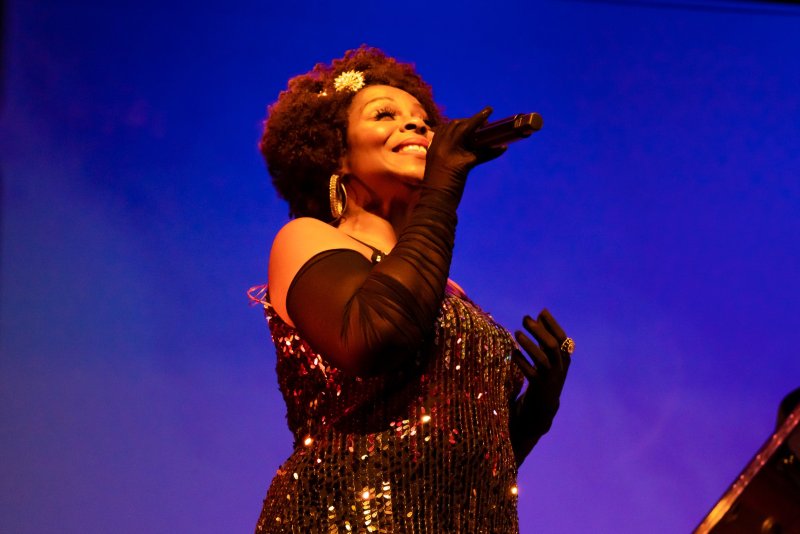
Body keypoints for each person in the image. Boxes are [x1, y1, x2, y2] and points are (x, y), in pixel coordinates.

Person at [249, 46, 574, 533]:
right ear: (337, 154)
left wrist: (534, 414)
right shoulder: (306, 238)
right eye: (385, 115)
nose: (418, 127)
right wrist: (442, 189)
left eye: (424, 121)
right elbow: (376, 336)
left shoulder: (446, 289)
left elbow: (449, 466)